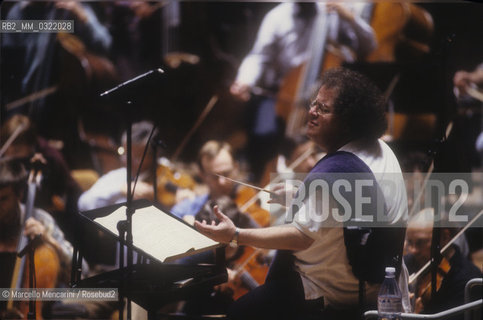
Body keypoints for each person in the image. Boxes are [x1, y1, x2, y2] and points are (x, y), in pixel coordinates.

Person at [196, 68, 410, 320]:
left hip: (327, 292)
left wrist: (235, 235)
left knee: (238, 313)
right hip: (374, 284)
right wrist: (301, 198)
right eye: (313, 104)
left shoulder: (333, 171)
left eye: (324, 109)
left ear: (348, 121)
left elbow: (301, 237)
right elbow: (356, 214)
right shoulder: (382, 150)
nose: (311, 112)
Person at [230, 1, 376, 183]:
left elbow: (369, 46)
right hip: (284, 94)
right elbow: (260, 56)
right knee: (262, 134)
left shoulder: (333, 10)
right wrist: (245, 80)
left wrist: (351, 19)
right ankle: (261, 191)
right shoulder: (277, 17)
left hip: (324, 92)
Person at [0, 158, 75, 318]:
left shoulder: (40, 220)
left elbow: (79, 271)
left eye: (3, 199)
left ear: (19, 194)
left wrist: (49, 240)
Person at [0, 114, 82, 242]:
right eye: (5, 150)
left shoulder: (50, 157)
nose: (8, 155)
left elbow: (66, 193)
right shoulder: (7, 155)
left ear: (30, 146)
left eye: (16, 150)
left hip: (60, 210)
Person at [404, 208, 482, 318]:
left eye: (420, 242)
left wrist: (415, 315)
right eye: (410, 242)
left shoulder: (468, 279)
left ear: (445, 237)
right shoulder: (408, 263)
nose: (413, 250)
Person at [77, 120, 156, 212]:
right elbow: (83, 204)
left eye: (137, 157)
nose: (127, 161)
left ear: (153, 157)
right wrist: (119, 190)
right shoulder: (118, 176)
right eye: (125, 153)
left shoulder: (162, 181)